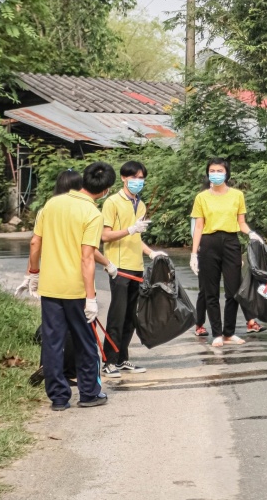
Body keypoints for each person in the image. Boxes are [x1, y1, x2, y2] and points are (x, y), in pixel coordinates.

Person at [23, 161, 115, 410]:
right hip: (76, 290)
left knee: (53, 342)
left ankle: (58, 398)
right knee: (85, 342)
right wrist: (91, 297)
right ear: (105, 190)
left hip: (50, 287)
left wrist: (33, 273)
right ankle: (89, 394)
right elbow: (87, 258)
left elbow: (35, 243)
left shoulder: (52, 204)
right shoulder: (92, 214)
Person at [100, 161, 166, 378]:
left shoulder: (141, 204)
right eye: (133, 177)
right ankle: (108, 361)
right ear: (123, 178)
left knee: (131, 317)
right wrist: (129, 229)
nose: (138, 181)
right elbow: (105, 235)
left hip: (136, 266)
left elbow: (137, 238)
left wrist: (151, 253)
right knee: (117, 316)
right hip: (118, 267)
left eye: (141, 178)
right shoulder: (112, 202)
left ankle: (122, 359)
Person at [189, 158, 263, 346]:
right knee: (211, 292)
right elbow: (199, 227)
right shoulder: (201, 197)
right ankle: (217, 333)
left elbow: (241, 222)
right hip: (208, 242)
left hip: (231, 242)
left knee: (233, 290)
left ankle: (229, 333)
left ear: (227, 173)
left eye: (219, 170)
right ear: (208, 174)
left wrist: (251, 233)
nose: (215, 174)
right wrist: (193, 253)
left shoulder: (237, 195)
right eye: (212, 171)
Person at [191, 216, 265, 337]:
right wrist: (196, 252)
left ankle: (249, 321)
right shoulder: (202, 205)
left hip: (228, 247)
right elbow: (196, 228)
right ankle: (199, 323)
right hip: (206, 246)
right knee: (206, 289)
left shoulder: (230, 205)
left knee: (236, 286)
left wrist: (237, 255)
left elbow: (232, 226)